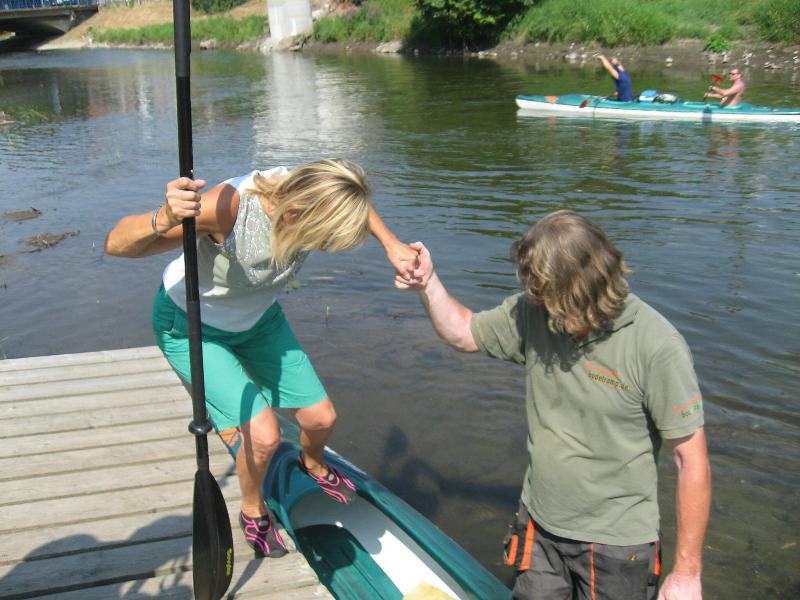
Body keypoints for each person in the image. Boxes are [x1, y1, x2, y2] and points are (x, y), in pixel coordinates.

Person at [105, 159, 420, 557]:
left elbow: (349, 194)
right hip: (191, 325)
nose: (323, 247)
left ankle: (312, 464)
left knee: (321, 418)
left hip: (258, 319)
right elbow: (116, 244)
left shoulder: (309, 188)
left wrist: (392, 244)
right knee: (264, 435)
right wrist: (165, 216)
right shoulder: (227, 208)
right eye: (323, 238)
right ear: (296, 212)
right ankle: (252, 508)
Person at [399, 211, 711, 600]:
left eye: (543, 292)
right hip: (540, 527)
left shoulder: (657, 345)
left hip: (617, 545)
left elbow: (690, 460)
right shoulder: (537, 312)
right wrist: (428, 283)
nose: (534, 298)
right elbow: (465, 332)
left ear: (579, 289)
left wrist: (687, 572)